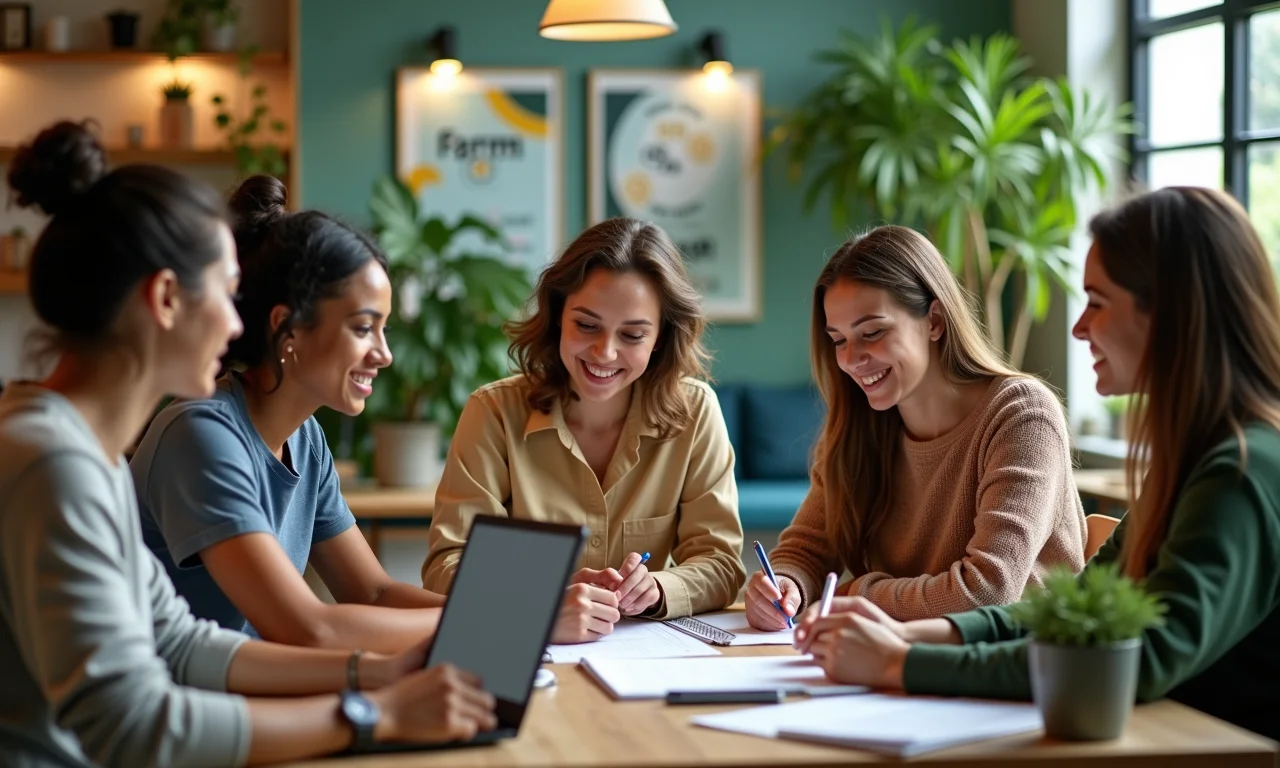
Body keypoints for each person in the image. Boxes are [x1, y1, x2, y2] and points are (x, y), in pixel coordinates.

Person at [0, 121, 495, 767]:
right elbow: (131, 725)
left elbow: (179, 642)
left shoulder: (81, 452)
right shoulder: (54, 462)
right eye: (227, 294)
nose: (239, 323)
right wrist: (379, 714)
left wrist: (374, 675)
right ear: (167, 299)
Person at [795, 188, 1280, 742]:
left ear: (1171, 312)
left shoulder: (1240, 471)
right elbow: (1070, 618)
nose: (1077, 328)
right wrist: (919, 638)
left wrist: (896, 662)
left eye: (1097, 302)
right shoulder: (1193, 460)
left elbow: (1131, 663)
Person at [129, 175, 444, 655]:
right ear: (288, 328)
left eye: (384, 331)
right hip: (182, 715)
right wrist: (493, 625)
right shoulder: (200, 434)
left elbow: (372, 592)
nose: (384, 354)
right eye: (364, 328)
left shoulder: (307, 439)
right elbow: (305, 629)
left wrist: (516, 614)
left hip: (254, 696)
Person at [423, 217, 746, 642]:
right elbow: (448, 563)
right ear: (558, 316)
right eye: (587, 325)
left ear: (660, 339)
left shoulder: (697, 412)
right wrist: (542, 600)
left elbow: (722, 563)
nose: (604, 352)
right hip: (528, 652)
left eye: (632, 335)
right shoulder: (494, 412)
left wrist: (659, 589)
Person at [747, 225, 1086, 630]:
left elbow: (986, 591)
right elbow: (807, 549)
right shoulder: (861, 427)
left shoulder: (1021, 416)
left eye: (872, 332)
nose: (852, 359)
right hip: (900, 661)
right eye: (838, 340)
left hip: (1015, 668)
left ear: (935, 321)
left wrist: (852, 594)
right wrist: (786, 586)